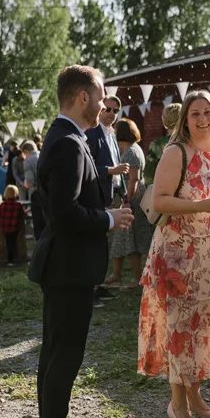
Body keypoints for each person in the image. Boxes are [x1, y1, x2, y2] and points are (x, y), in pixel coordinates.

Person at [28, 65, 133, 418]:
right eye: (101, 93)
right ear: (82, 96)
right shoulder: (68, 142)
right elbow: (66, 213)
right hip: (68, 268)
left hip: (65, 267)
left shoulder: (68, 137)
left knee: (55, 358)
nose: (106, 101)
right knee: (62, 361)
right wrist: (109, 218)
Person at [137, 90, 210, 418]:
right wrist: (200, 206)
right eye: (194, 113)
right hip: (177, 257)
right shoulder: (176, 152)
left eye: (207, 113)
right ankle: (178, 408)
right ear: (185, 119)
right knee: (180, 331)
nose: (202, 119)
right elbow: (160, 200)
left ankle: (197, 400)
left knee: (203, 328)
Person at [88, 96, 129, 297]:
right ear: (100, 110)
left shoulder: (112, 134)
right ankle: (91, 286)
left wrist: (123, 193)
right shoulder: (93, 132)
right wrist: (110, 170)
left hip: (112, 194)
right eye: (108, 109)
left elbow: (119, 166)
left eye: (116, 110)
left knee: (107, 244)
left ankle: (99, 283)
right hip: (97, 194)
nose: (112, 113)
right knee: (96, 242)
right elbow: (87, 167)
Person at [108, 118, 152, 287]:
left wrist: (127, 201)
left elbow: (133, 179)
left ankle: (136, 278)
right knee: (121, 237)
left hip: (131, 198)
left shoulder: (132, 152)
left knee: (131, 238)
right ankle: (116, 274)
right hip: (128, 197)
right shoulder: (129, 149)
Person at [144, 103, 181, 186]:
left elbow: (148, 176)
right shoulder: (191, 142)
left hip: (164, 191)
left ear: (163, 120)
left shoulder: (156, 145)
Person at [0, 185, 26, 265]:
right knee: (13, 243)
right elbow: (22, 215)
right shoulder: (18, 205)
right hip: (14, 227)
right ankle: (12, 259)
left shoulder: (2, 205)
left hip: (5, 228)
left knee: (8, 243)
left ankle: (9, 259)